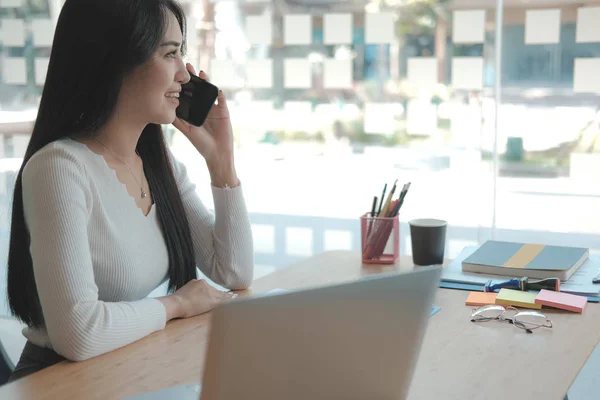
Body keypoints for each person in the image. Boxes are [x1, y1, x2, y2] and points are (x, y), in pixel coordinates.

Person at [5, 0, 254, 381]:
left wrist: (222, 164)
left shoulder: (159, 164)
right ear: (116, 59)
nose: (185, 76)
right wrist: (176, 304)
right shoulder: (59, 167)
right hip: (56, 381)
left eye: (182, 53)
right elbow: (78, 331)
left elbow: (233, 271)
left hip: (123, 369)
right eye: (170, 53)